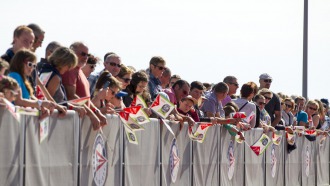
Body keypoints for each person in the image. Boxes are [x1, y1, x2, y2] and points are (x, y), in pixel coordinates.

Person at [62, 42, 107, 130]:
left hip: (80, 121)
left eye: (88, 55)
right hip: (71, 123)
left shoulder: (79, 71)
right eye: (83, 54)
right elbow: (72, 96)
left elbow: (86, 100)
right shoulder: (70, 70)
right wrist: (92, 115)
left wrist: (97, 112)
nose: (86, 57)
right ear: (72, 52)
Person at [39, 47, 86, 117]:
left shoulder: (45, 69)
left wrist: (73, 107)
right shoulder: (55, 77)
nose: (69, 69)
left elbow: (57, 102)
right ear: (63, 62)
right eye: (69, 66)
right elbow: (48, 101)